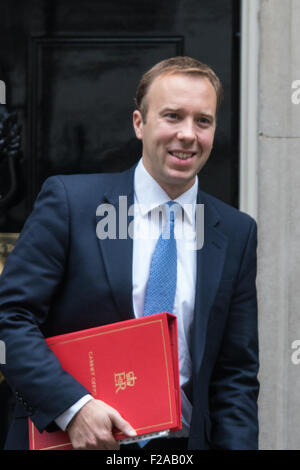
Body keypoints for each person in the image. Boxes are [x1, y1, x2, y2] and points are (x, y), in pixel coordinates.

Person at [0, 56, 259, 450]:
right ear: (139, 123)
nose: (188, 134)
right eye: (172, 116)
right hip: (74, 437)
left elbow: (235, 374)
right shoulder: (72, 204)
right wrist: (74, 407)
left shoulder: (236, 232)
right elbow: (10, 316)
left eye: (202, 121)